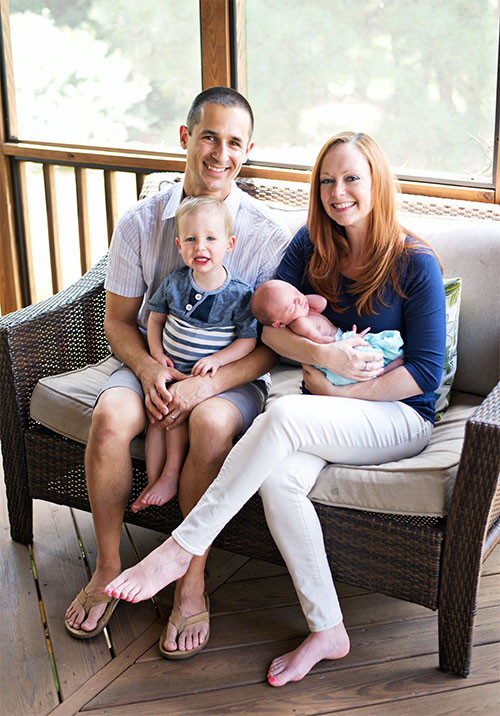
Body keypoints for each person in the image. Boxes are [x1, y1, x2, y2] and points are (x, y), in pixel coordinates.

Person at [105, 129, 446, 685]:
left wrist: (340, 391)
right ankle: (328, 628)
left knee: (282, 416)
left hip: (397, 416)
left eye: (352, 178)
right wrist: (322, 352)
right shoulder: (313, 243)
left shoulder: (414, 261)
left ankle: (180, 548)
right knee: (280, 481)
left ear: (377, 183)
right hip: (327, 413)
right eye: (328, 181)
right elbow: (268, 329)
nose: (338, 193)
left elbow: (424, 374)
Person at [64, 86, 299, 658]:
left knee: (213, 424)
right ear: (185, 138)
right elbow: (118, 319)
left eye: (235, 143)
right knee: (110, 417)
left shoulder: (266, 234)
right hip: (153, 358)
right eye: (210, 137)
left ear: (248, 151)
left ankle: (190, 582)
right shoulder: (141, 222)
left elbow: (273, 347)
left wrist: (205, 384)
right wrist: (148, 370)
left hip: (231, 373)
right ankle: (108, 571)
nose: (221, 153)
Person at [131, 195, 257, 513]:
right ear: (179, 245)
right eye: (191, 239)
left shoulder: (239, 295)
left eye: (211, 239)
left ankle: (171, 474)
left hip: (202, 380)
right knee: (157, 418)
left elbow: (248, 341)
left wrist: (218, 360)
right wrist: (156, 354)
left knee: (175, 419)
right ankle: (153, 478)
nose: (200, 247)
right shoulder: (174, 283)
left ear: (229, 244)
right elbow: (155, 318)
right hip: (171, 372)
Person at [250, 278, 404, 384]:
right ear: (279, 324)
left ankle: (385, 366)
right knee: (365, 356)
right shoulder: (300, 323)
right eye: (291, 305)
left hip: (340, 340)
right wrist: (345, 341)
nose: (298, 300)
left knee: (370, 348)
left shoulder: (305, 311)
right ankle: (386, 369)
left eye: (295, 292)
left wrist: (302, 299)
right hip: (334, 349)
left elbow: (322, 303)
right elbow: (318, 340)